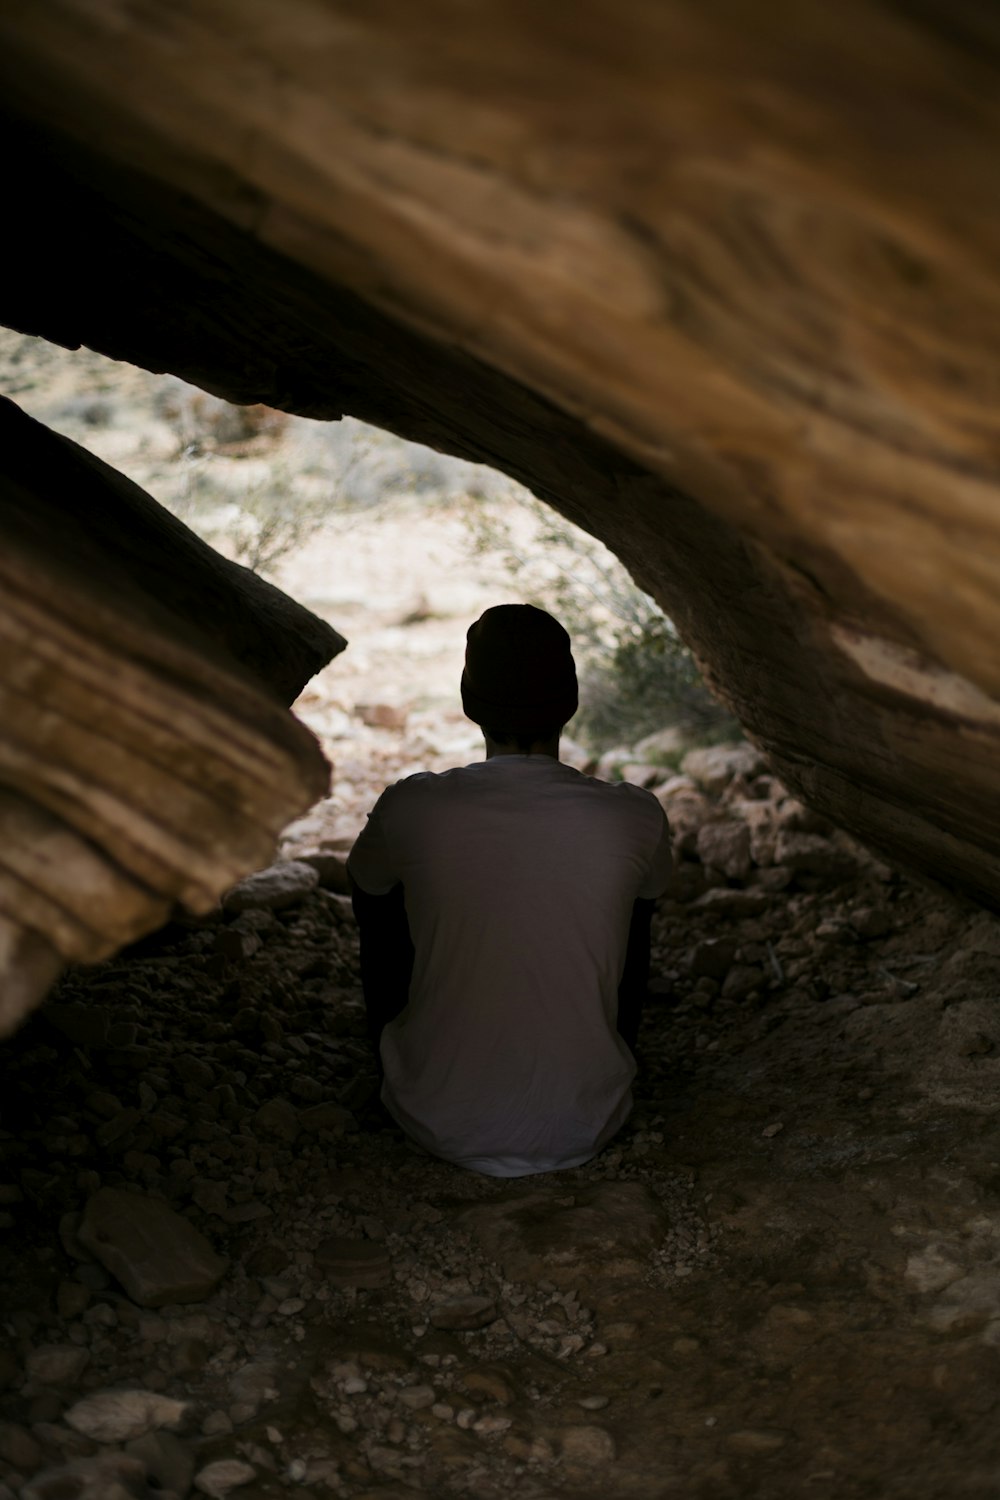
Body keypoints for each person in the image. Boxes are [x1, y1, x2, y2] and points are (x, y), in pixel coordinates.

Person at [347, 603, 672, 1176]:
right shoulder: (634, 817)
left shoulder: (413, 808)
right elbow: (638, 933)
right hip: (588, 1120)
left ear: (470, 705)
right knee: (626, 907)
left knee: (390, 888)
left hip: (433, 1116)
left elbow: (367, 890)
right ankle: (601, 1054)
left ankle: (402, 1046)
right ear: (570, 704)